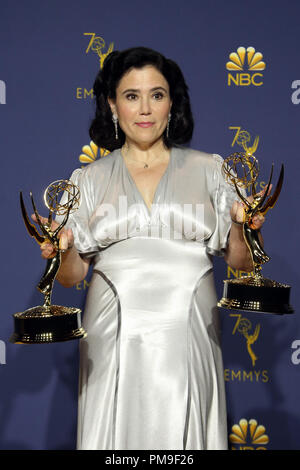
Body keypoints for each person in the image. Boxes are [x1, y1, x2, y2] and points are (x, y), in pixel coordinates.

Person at [36, 47, 266, 450]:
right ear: (112, 104)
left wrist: (241, 225)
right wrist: (62, 249)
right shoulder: (87, 179)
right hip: (111, 330)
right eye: (131, 96)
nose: (145, 109)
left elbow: (240, 261)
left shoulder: (210, 169)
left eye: (157, 95)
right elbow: (73, 276)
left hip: (190, 324)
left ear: (172, 103)